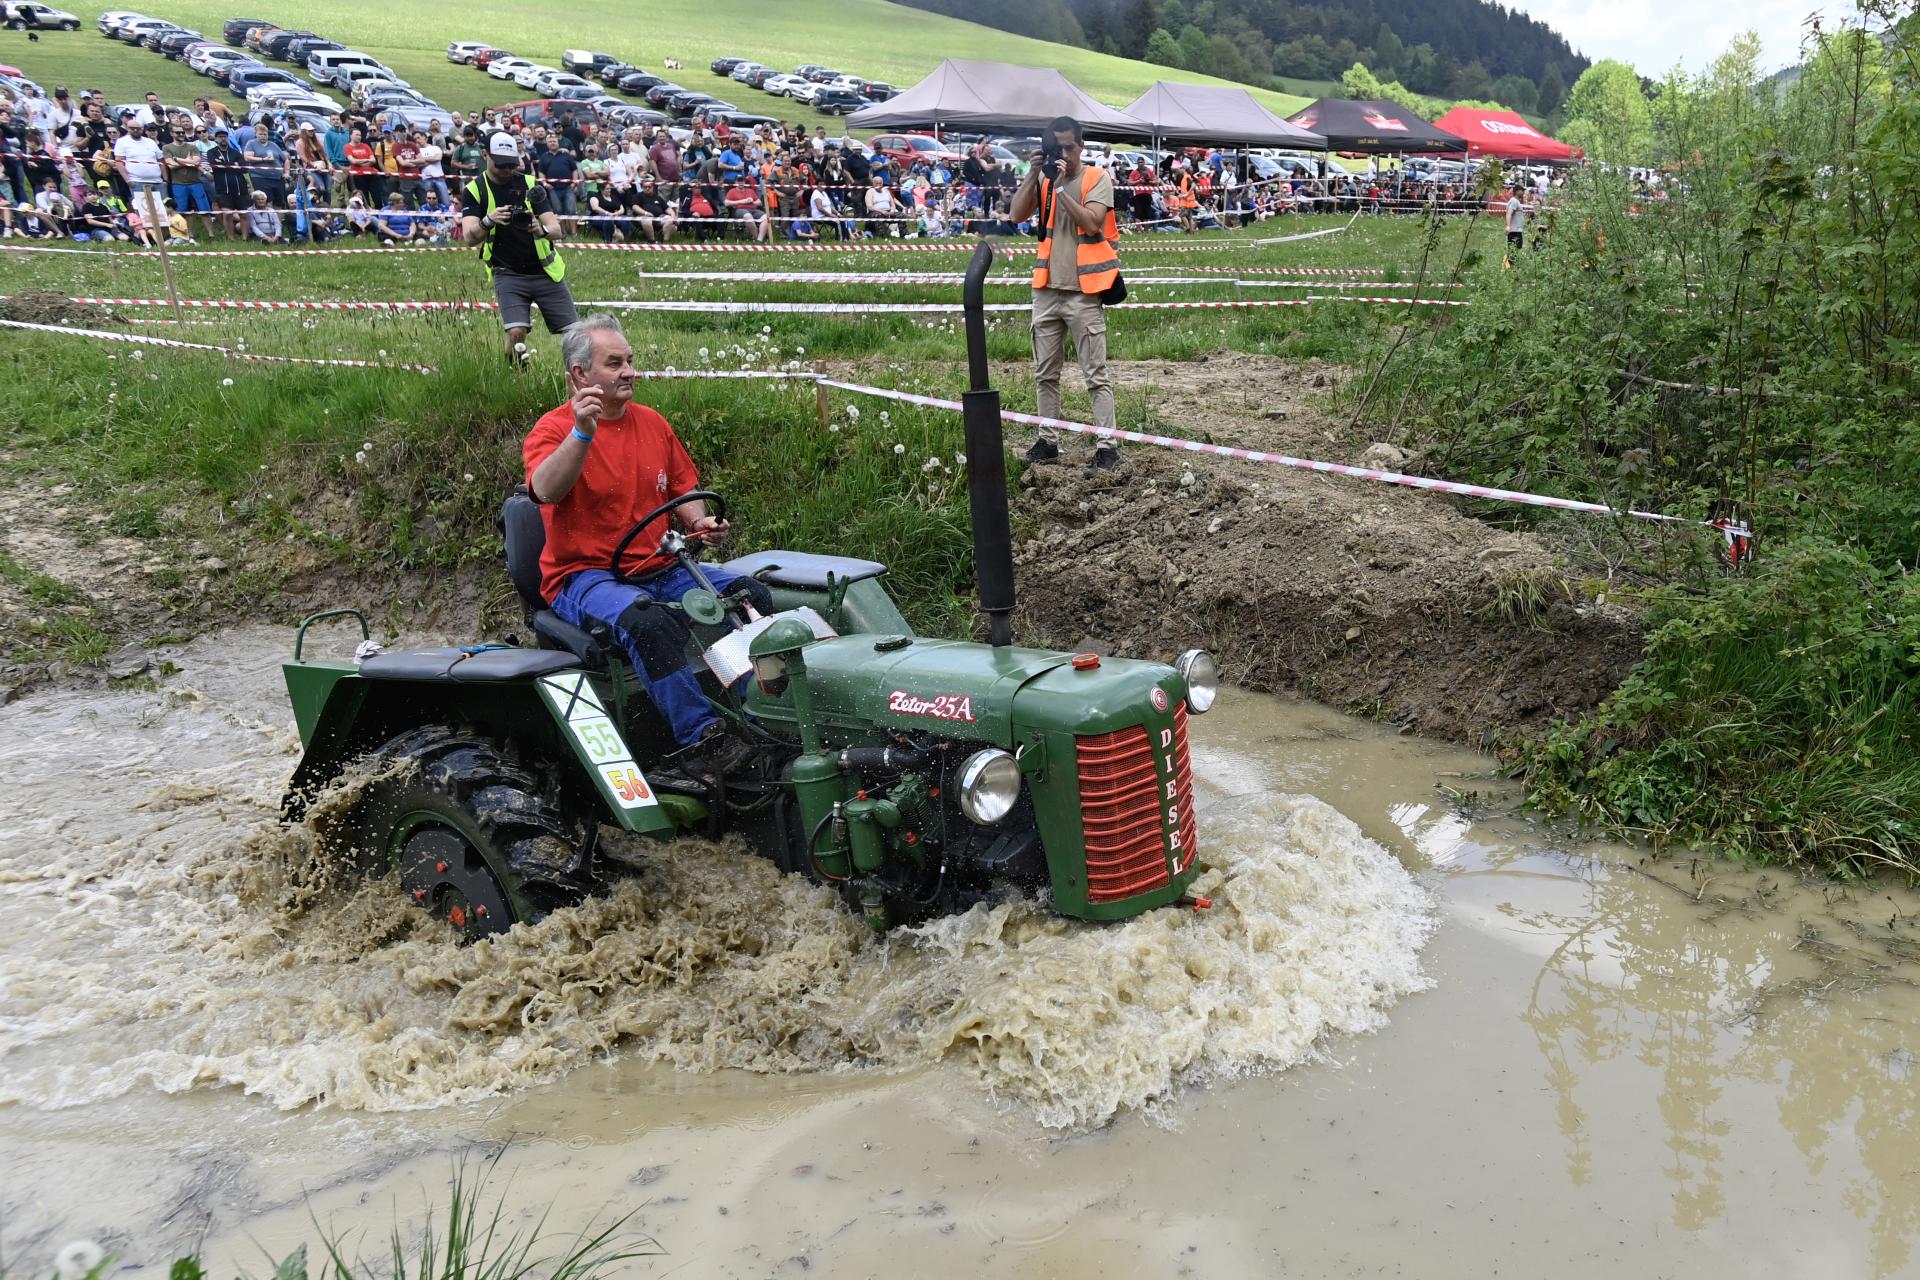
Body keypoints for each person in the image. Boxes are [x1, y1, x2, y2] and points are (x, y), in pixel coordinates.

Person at [523, 314, 772, 779]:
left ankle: (763, 717)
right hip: (585, 576)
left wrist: (702, 523)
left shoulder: (652, 424)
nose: (628, 371)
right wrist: (582, 433)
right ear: (580, 375)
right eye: (614, 363)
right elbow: (546, 489)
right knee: (648, 623)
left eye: (630, 360)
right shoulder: (553, 431)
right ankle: (703, 737)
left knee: (750, 596)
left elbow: (685, 493)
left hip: (660, 564)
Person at [1010, 115, 1122, 471]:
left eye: (1069, 147)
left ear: (1081, 146)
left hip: (1083, 293)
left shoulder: (1095, 178)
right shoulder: (1043, 180)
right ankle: (1048, 441)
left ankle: (1108, 446)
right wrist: (1034, 175)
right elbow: (1015, 215)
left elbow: (1091, 222)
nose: (1064, 154)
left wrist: (1059, 189)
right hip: (1046, 290)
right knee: (1045, 373)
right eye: (1056, 147)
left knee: (1095, 374)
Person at [461, 131, 577, 363]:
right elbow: (469, 237)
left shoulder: (532, 185)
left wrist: (540, 230)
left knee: (575, 335)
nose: (507, 170)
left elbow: (557, 230)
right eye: (501, 164)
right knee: (516, 333)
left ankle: (578, 381)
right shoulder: (474, 190)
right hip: (507, 272)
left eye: (511, 165)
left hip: (545, 271)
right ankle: (516, 377)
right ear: (486, 155)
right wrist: (489, 220)